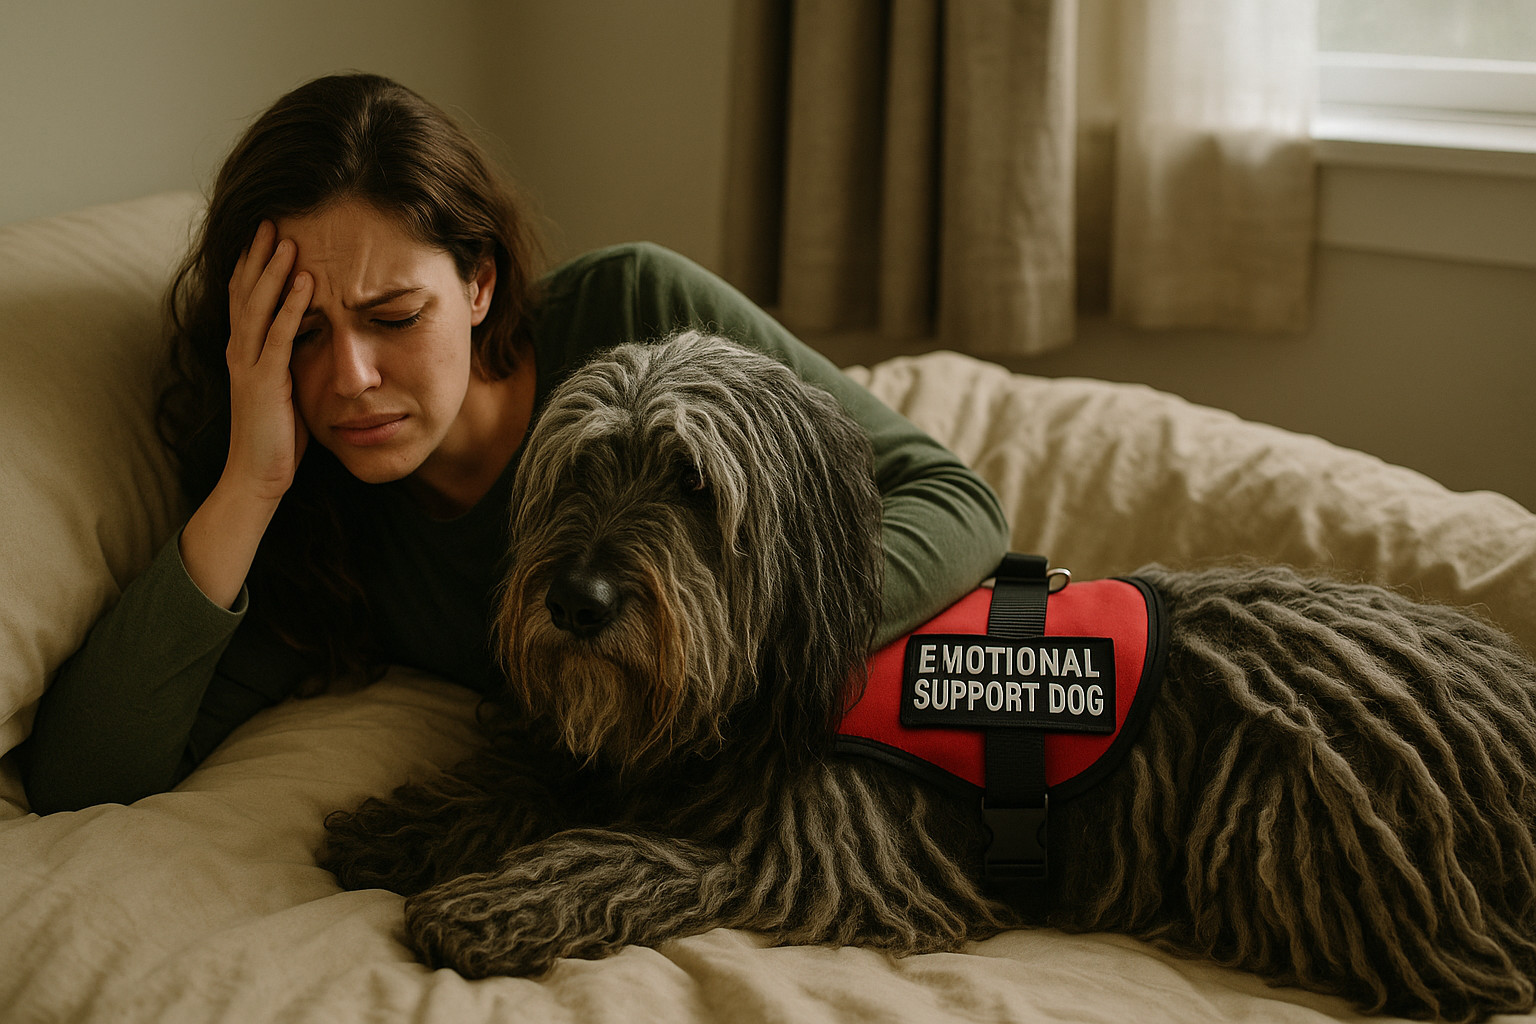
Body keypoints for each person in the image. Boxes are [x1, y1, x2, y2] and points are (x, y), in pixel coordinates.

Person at [22, 73, 1010, 814]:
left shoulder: (638, 308)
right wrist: (254, 476)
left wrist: (743, 648)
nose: (351, 380)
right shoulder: (317, 513)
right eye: (304, 334)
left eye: (394, 315)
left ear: (480, 283)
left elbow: (955, 501)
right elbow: (81, 775)